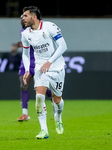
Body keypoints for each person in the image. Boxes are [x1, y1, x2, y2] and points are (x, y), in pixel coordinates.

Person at [21, 6, 67, 139]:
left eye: (25, 16)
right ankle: (44, 130)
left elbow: (63, 46)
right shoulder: (25, 34)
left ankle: (58, 118)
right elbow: (25, 54)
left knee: (57, 99)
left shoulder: (50, 27)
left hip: (56, 67)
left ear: (34, 16)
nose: (23, 18)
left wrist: (50, 62)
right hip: (40, 68)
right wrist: (28, 69)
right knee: (39, 97)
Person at [17, 16, 52, 122]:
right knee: (24, 86)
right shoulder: (23, 31)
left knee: (42, 87)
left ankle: (54, 99)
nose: (23, 20)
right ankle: (25, 113)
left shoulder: (41, 29)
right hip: (26, 62)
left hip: (38, 62)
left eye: (25, 18)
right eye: (22, 19)